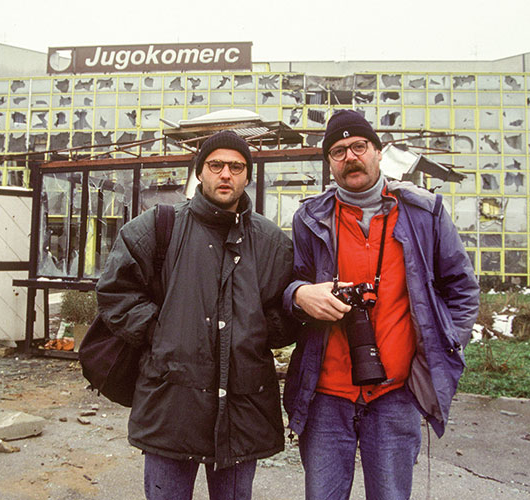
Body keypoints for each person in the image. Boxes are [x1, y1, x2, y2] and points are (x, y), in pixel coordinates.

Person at [282, 110, 480, 500]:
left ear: (377, 152)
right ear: (329, 163)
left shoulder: (424, 213)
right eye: (338, 151)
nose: (350, 157)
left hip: (396, 394)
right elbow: (286, 286)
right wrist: (300, 295)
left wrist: (445, 346)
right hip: (325, 396)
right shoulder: (309, 218)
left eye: (359, 146)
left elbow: (462, 289)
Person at [96, 130, 295, 500]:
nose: (225, 174)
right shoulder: (158, 227)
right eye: (215, 165)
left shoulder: (271, 242)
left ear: (247, 176)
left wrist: (255, 333)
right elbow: (115, 292)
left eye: (236, 167)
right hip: (171, 408)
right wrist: (161, 330)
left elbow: (288, 307)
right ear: (199, 173)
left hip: (242, 410)